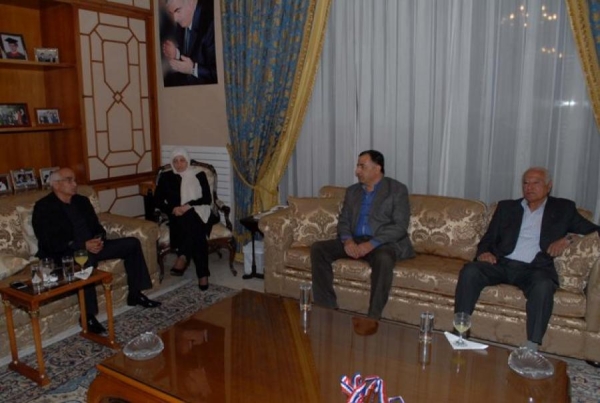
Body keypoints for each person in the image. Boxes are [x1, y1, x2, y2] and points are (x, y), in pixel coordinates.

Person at [454, 167, 600, 352]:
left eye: (536, 183)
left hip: (535, 268)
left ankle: (532, 345)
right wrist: (484, 252)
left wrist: (568, 238)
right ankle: (460, 332)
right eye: (526, 183)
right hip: (501, 263)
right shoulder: (507, 208)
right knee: (470, 271)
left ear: (548, 186)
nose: (529, 187)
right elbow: (488, 239)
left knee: (543, 285)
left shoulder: (563, 209)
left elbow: (595, 231)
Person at [32, 168, 161, 334]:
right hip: (67, 252)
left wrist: (99, 239)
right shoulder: (44, 207)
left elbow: (97, 226)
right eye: (69, 180)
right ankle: (88, 315)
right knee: (86, 260)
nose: (74, 184)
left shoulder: (82, 201)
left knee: (132, 244)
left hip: (93, 246)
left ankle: (135, 294)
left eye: (74, 180)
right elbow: (49, 240)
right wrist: (83, 245)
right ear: (56, 185)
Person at [311, 150, 415, 333]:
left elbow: (400, 226)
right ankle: (327, 307)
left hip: (383, 243)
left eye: (362, 166)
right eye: (357, 166)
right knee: (318, 249)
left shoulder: (397, 190)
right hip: (356, 240)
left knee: (384, 259)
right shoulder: (353, 191)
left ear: (377, 168)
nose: (357, 171)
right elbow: (344, 221)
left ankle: (373, 316)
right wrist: (348, 241)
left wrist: (371, 244)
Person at [154, 148, 220, 290]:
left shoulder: (199, 174)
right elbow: (157, 201)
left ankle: (183, 255)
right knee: (196, 231)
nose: (179, 164)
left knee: (190, 219)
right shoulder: (166, 177)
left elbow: (207, 199)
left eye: (182, 160)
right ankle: (203, 275)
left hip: (201, 211)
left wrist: (188, 206)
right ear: (172, 163)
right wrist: (173, 209)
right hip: (178, 215)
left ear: (187, 160)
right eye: (175, 161)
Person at [161, 0, 217, 86]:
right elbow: (193, 53)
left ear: (191, 2)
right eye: (171, 13)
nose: (175, 19)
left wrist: (193, 69)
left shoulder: (210, 24)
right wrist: (176, 53)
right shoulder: (182, 24)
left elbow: (218, 73)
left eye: (178, 11)